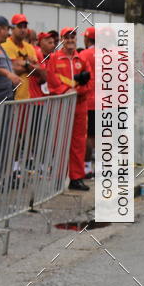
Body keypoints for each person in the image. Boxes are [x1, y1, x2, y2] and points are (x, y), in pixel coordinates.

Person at [46, 27, 91, 191]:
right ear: (62, 40)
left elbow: (90, 82)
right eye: (67, 37)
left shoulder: (82, 59)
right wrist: (66, 92)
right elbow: (52, 82)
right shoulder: (54, 58)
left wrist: (77, 91)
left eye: (73, 37)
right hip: (62, 106)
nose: (70, 40)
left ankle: (76, 178)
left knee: (78, 142)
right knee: (60, 142)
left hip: (79, 105)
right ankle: (58, 178)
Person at [2, 13, 46, 100]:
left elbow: (39, 71)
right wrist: (29, 64)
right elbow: (13, 69)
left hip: (26, 98)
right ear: (12, 28)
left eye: (25, 26)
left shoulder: (29, 47)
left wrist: (24, 64)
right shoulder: (5, 44)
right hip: (10, 97)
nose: (23, 29)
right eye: (20, 26)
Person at [78, 26, 96, 178]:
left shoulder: (84, 54)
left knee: (88, 136)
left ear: (88, 39)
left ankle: (87, 167)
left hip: (89, 100)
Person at [0, 16, 21, 102]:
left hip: (5, 98)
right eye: (7, 29)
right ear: (0, 29)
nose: (9, 33)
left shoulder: (0, 48)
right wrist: (8, 74)